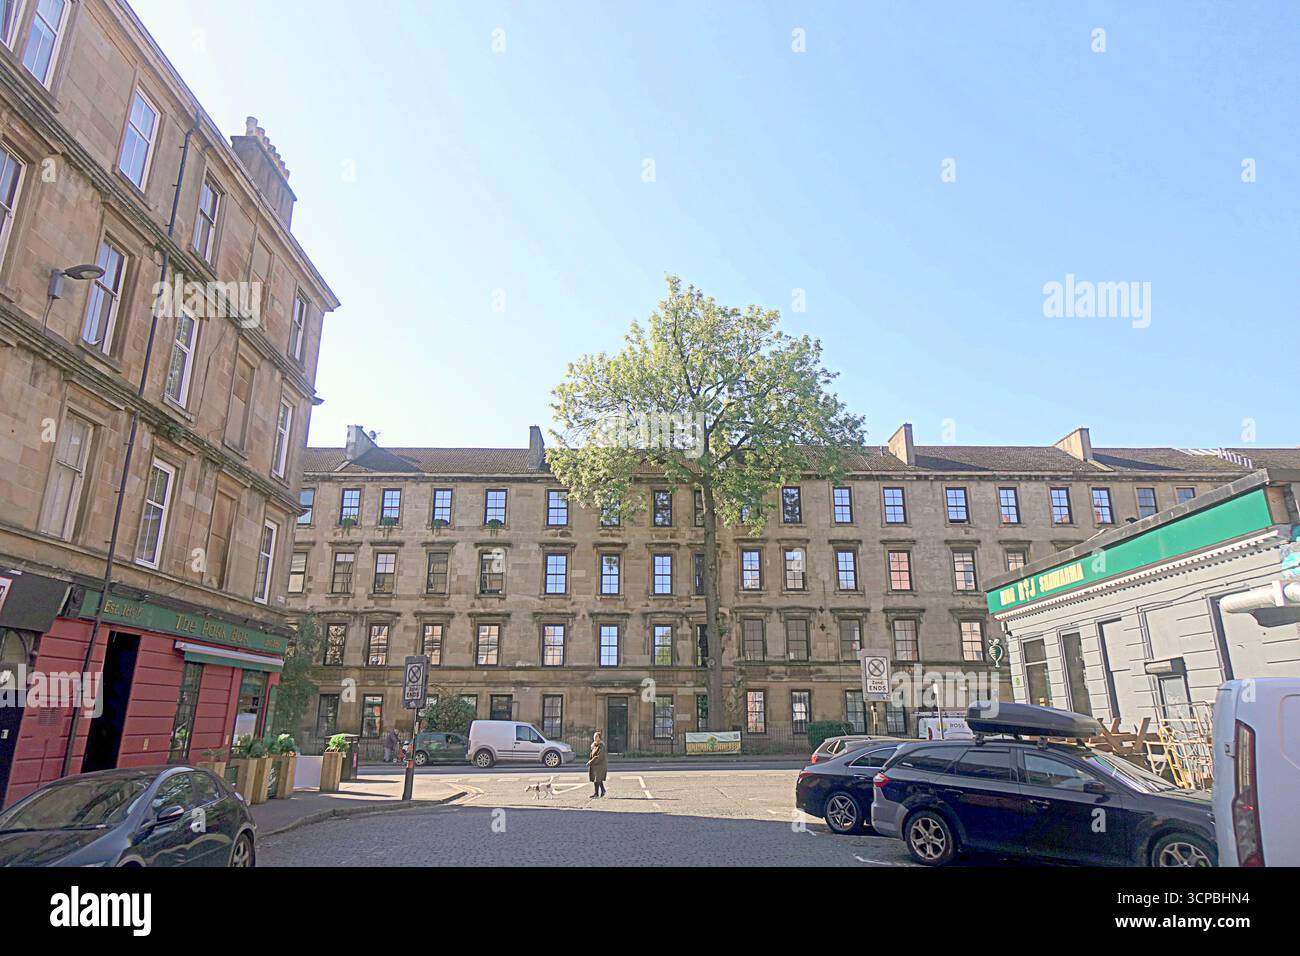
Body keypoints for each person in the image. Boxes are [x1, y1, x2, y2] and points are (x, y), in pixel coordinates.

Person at [588, 730, 608, 798]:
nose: (595, 738)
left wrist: (591, 761)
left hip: (600, 764)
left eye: (596, 736)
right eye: (594, 736)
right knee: (597, 779)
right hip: (595, 764)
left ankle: (597, 793)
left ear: (599, 737)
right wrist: (591, 761)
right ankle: (601, 791)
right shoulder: (593, 745)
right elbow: (592, 755)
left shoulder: (601, 745)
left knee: (597, 778)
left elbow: (599, 756)